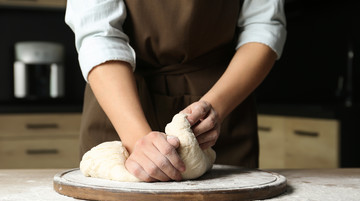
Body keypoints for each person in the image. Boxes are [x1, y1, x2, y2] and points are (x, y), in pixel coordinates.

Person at [65, 0, 286, 182]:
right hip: (119, 98)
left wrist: (215, 108)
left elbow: (263, 25)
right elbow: (99, 35)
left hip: (223, 98)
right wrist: (136, 138)